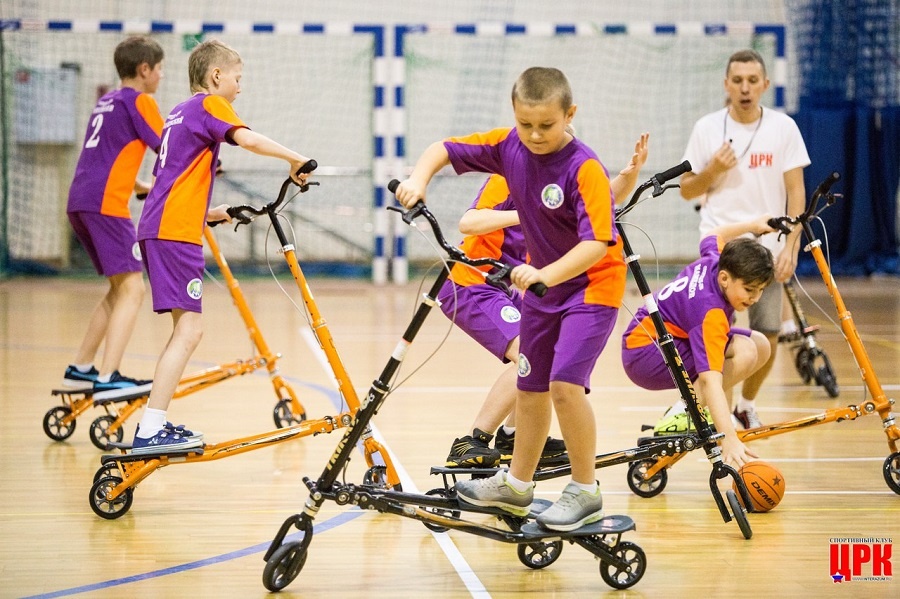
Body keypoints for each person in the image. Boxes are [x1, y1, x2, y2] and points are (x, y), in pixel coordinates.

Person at [395, 66, 623, 532]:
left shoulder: (585, 167)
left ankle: (585, 491)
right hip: (540, 286)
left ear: (569, 115)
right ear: (514, 115)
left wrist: (543, 273)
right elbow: (444, 148)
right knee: (529, 384)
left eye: (547, 125)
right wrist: (420, 179)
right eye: (526, 124)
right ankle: (517, 486)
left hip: (590, 286)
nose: (535, 136)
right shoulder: (509, 147)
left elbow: (597, 243)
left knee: (564, 387)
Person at [132, 40, 312, 454]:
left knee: (185, 329)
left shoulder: (178, 111)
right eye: (237, 78)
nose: (239, 87)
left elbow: (174, 181)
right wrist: (295, 159)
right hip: (172, 231)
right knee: (190, 331)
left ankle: (152, 425)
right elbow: (247, 140)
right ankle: (150, 430)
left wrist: (215, 212)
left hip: (166, 225)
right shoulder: (209, 105)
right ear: (216, 76)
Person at [442, 133, 649, 468]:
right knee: (529, 355)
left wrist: (629, 176)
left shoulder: (560, 181)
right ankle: (472, 441)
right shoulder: (509, 176)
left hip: (512, 283)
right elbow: (470, 222)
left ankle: (513, 436)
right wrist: (524, 213)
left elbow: (599, 202)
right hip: (472, 282)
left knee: (551, 357)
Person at [679, 49, 810, 430]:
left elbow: (796, 193)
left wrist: (791, 245)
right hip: (718, 246)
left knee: (768, 331)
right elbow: (688, 191)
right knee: (719, 337)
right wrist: (712, 170)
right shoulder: (707, 128)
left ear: (765, 84)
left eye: (753, 80)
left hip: (767, 246)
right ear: (726, 85)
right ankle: (721, 413)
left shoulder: (783, 128)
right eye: (737, 81)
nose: (745, 88)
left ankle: (745, 404)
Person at [621, 217, 776, 468]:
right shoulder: (710, 313)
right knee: (745, 352)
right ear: (726, 279)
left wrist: (753, 226)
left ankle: (693, 410)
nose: (755, 298)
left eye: (760, 291)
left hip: (656, 339)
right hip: (646, 355)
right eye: (749, 289)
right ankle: (682, 415)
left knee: (761, 344)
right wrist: (728, 438)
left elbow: (714, 233)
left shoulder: (715, 261)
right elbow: (709, 379)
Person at [62, 36, 165, 400]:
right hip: (106, 206)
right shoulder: (141, 101)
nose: (161, 76)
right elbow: (168, 150)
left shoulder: (106, 101)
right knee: (135, 288)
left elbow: (106, 158)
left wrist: (141, 186)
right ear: (144, 70)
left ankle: (82, 368)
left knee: (119, 288)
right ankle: (109, 376)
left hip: (81, 201)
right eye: (159, 68)